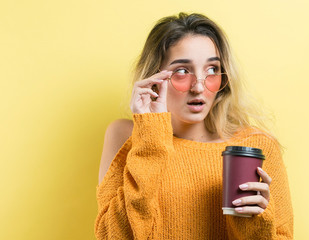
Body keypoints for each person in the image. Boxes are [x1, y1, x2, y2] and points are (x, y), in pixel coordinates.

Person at [95, 12, 293, 239]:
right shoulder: (127, 135)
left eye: (211, 70)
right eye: (182, 71)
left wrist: (256, 222)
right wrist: (150, 135)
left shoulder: (255, 146)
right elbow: (112, 236)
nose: (199, 87)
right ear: (155, 78)